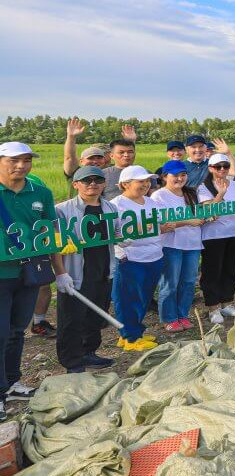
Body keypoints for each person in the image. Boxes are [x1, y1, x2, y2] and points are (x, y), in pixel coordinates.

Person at [0, 142, 73, 407]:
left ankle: (12, 382)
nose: (21, 166)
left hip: (30, 270)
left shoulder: (40, 192)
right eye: (13, 160)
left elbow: (52, 235)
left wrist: (61, 272)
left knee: (17, 330)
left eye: (26, 160)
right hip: (1, 273)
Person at [54, 166, 116, 373]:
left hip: (103, 270)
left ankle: (89, 352)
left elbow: (117, 233)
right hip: (75, 273)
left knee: (95, 317)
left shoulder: (109, 208)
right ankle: (72, 361)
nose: (93, 184)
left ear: (104, 183)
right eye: (86, 180)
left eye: (98, 180)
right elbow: (54, 246)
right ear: (75, 184)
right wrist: (60, 273)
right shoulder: (62, 210)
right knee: (71, 319)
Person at [109, 165, 164, 352]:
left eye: (148, 181)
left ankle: (135, 331)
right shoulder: (116, 205)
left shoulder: (150, 203)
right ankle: (129, 337)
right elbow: (111, 234)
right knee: (127, 298)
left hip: (154, 256)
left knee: (144, 297)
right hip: (130, 258)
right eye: (141, 181)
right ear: (125, 184)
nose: (146, 185)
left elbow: (158, 226)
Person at [149, 160, 204, 333]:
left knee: (188, 282)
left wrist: (208, 217)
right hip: (171, 245)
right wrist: (188, 221)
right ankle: (169, 318)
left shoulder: (191, 194)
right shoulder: (158, 196)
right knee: (170, 283)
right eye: (175, 176)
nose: (180, 179)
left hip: (192, 244)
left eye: (183, 175)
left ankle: (183, 314)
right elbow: (162, 224)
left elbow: (201, 214)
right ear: (165, 177)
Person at [196, 153, 235, 325]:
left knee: (231, 269)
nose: (222, 169)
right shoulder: (203, 187)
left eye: (225, 166)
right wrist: (220, 194)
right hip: (213, 235)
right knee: (212, 272)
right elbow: (207, 212)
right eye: (218, 167)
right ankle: (213, 307)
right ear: (210, 169)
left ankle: (227, 302)